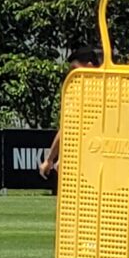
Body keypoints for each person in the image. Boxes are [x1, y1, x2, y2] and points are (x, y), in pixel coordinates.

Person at [39, 44, 103, 180]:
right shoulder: (116, 86)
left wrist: (50, 159)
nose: (72, 75)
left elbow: (68, 128)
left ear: (90, 66)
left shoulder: (83, 94)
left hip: (87, 166)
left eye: (75, 69)